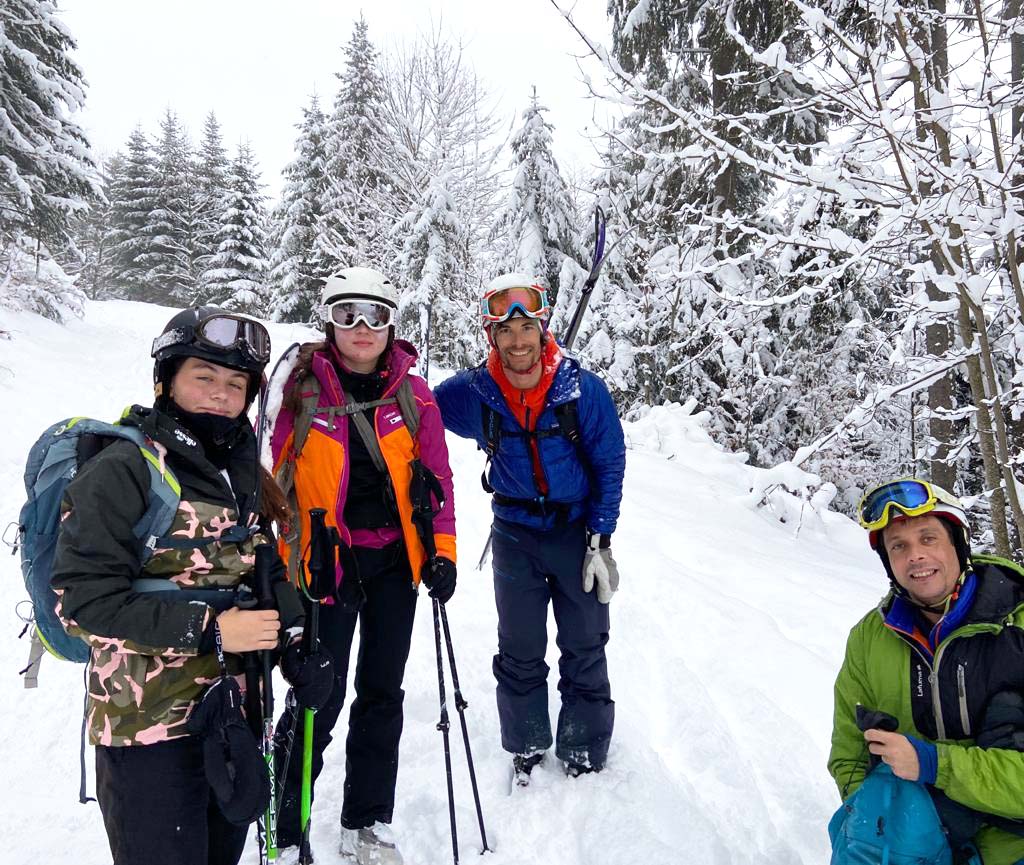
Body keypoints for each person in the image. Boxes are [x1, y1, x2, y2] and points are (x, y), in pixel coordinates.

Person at [51, 306, 333, 865]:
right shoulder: (125, 467)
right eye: (203, 377)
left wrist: (295, 632)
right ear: (166, 380)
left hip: (230, 712)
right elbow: (81, 601)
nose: (220, 395)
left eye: (235, 384)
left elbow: (262, 563)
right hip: (147, 725)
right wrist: (212, 628)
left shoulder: (239, 466)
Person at [269, 267, 457, 865]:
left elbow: (439, 483)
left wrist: (442, 556)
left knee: (382, 694)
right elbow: (272, 484)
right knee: (316, 694)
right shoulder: (301, 391)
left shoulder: (414, 392)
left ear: (391, 323)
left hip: (396, 566)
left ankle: (367, 821)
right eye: (347, 313)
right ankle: (286, 821)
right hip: (325, 567)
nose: (361, 328)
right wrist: (282, 566)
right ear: (329, 319)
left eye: (375, 315)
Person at [434, 272, 626, 783]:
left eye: (527, 329)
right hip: (514, 533)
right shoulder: (473, 393)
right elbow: (413, 406)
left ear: (543, 329)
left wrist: (600, 540)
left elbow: (609, 462)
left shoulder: (581, 390)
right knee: (519, 646)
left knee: (585, 641)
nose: (518, 342)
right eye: (506, 332)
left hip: (574, 531)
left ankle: (583, 747)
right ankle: (526, 744)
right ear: (491, 336)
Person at [829, 477, 1024, 865]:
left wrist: (935, 766)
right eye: (898, 546)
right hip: (912, 846)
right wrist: (884, 817)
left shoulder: (1017, 624)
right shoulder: (870, 639)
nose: (915, 555)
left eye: (928, 538)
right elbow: (848, 754)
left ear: (958, 543)